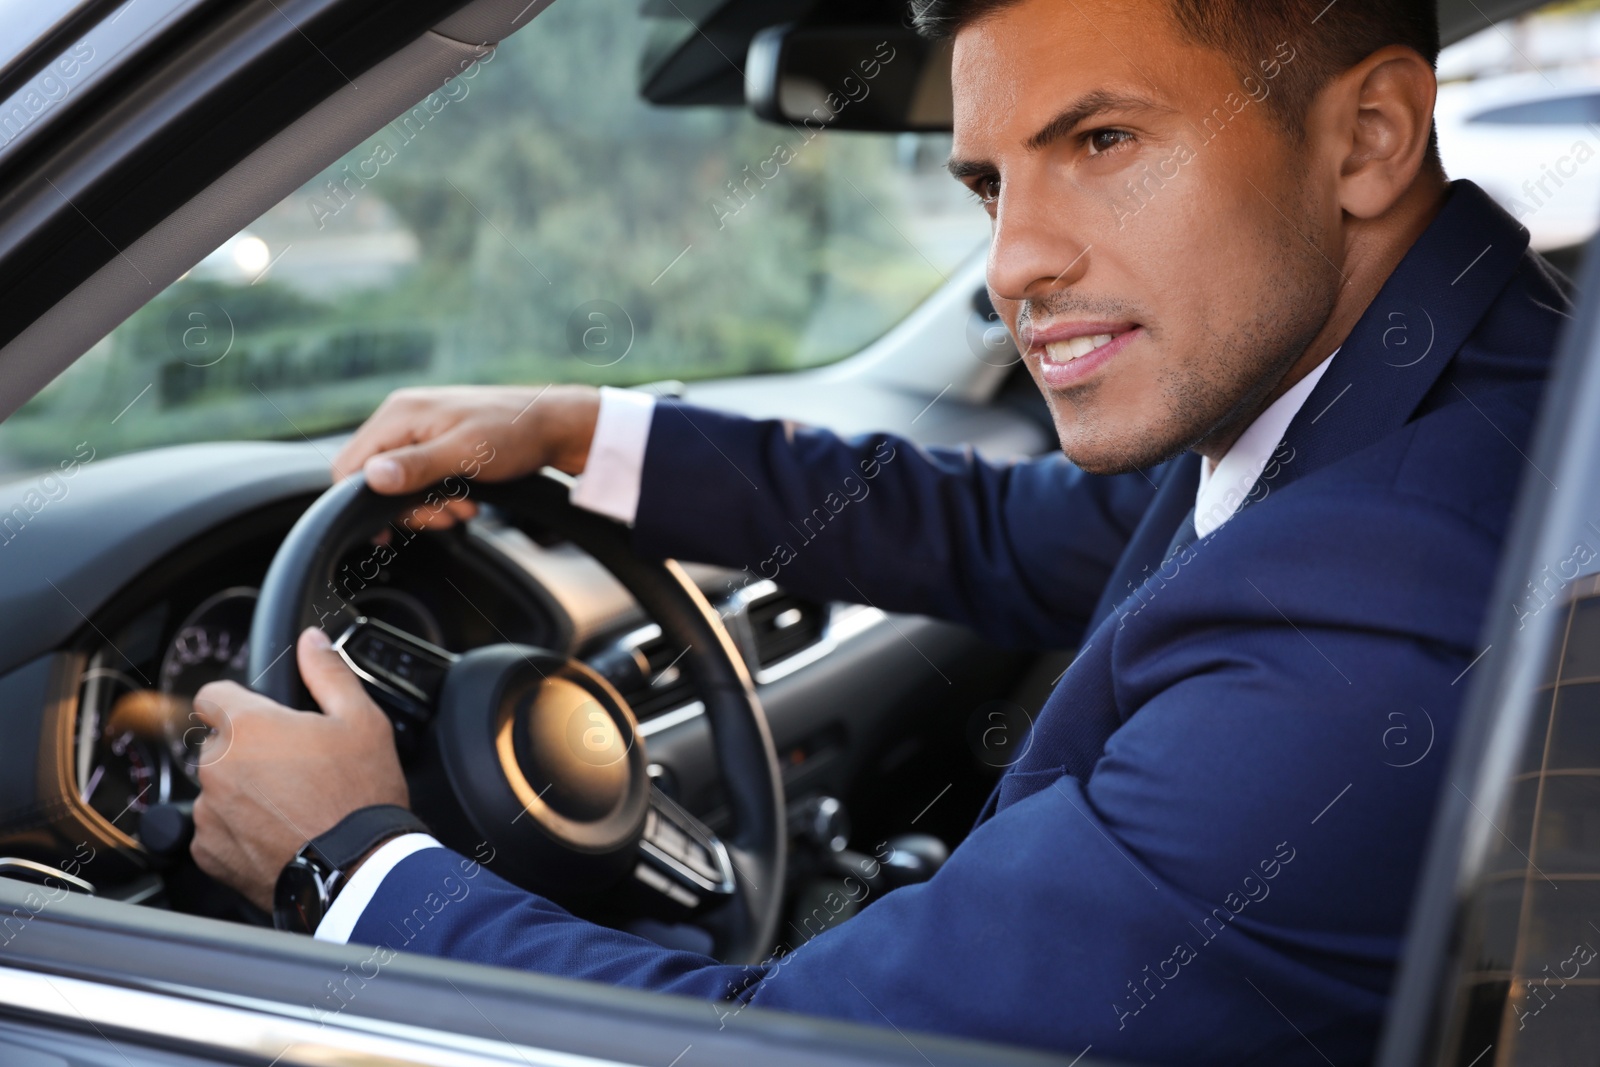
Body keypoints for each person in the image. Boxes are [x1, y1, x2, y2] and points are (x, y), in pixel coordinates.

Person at [185, 0, 1569, 1061]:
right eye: (988, 183)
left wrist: (349, 865)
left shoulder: (1366, 615)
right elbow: (1011, 533)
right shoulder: (1421, 388)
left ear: (1370, 137)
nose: (1013, 263)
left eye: (1103, 142)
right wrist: (579, 430)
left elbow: (801, 1047)